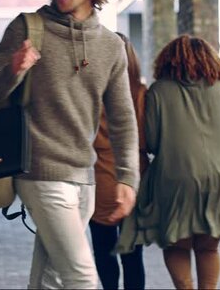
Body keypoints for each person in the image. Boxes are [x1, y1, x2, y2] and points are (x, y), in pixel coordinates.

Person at [0, 0, 139, 289]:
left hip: (84, 176)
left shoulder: (111, 46)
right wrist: (13, 70)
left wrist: (128, 178)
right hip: (40, 170)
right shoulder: (28, 28)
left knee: (51, 279)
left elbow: (123, 119)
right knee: (82, 277)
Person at [116, 35, 220, 290]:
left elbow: (154, 142)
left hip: (176, 180)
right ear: (209, 60)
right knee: (208, 246)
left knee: (177, 244)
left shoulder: (158, 91)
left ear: (167, 61)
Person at [89, 33, 147, 290]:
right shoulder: (142, 94)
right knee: (134, 255)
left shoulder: (91, 94)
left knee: (103, 250)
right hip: (135, 178)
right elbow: (148, 139)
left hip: (98, 178)